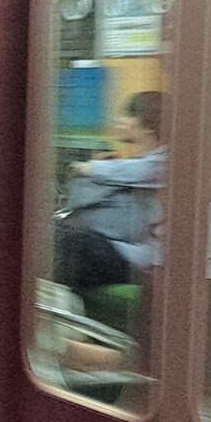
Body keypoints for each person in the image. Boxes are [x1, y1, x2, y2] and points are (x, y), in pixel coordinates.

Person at [52, 90, 168, 292]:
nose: (119, 121)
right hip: (123, 248)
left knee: (74, 245)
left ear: (148, 126)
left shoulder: (165, 162)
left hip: (143, 260)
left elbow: (141, 171)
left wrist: (88, 167)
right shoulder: (138, 162)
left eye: (128, 115)